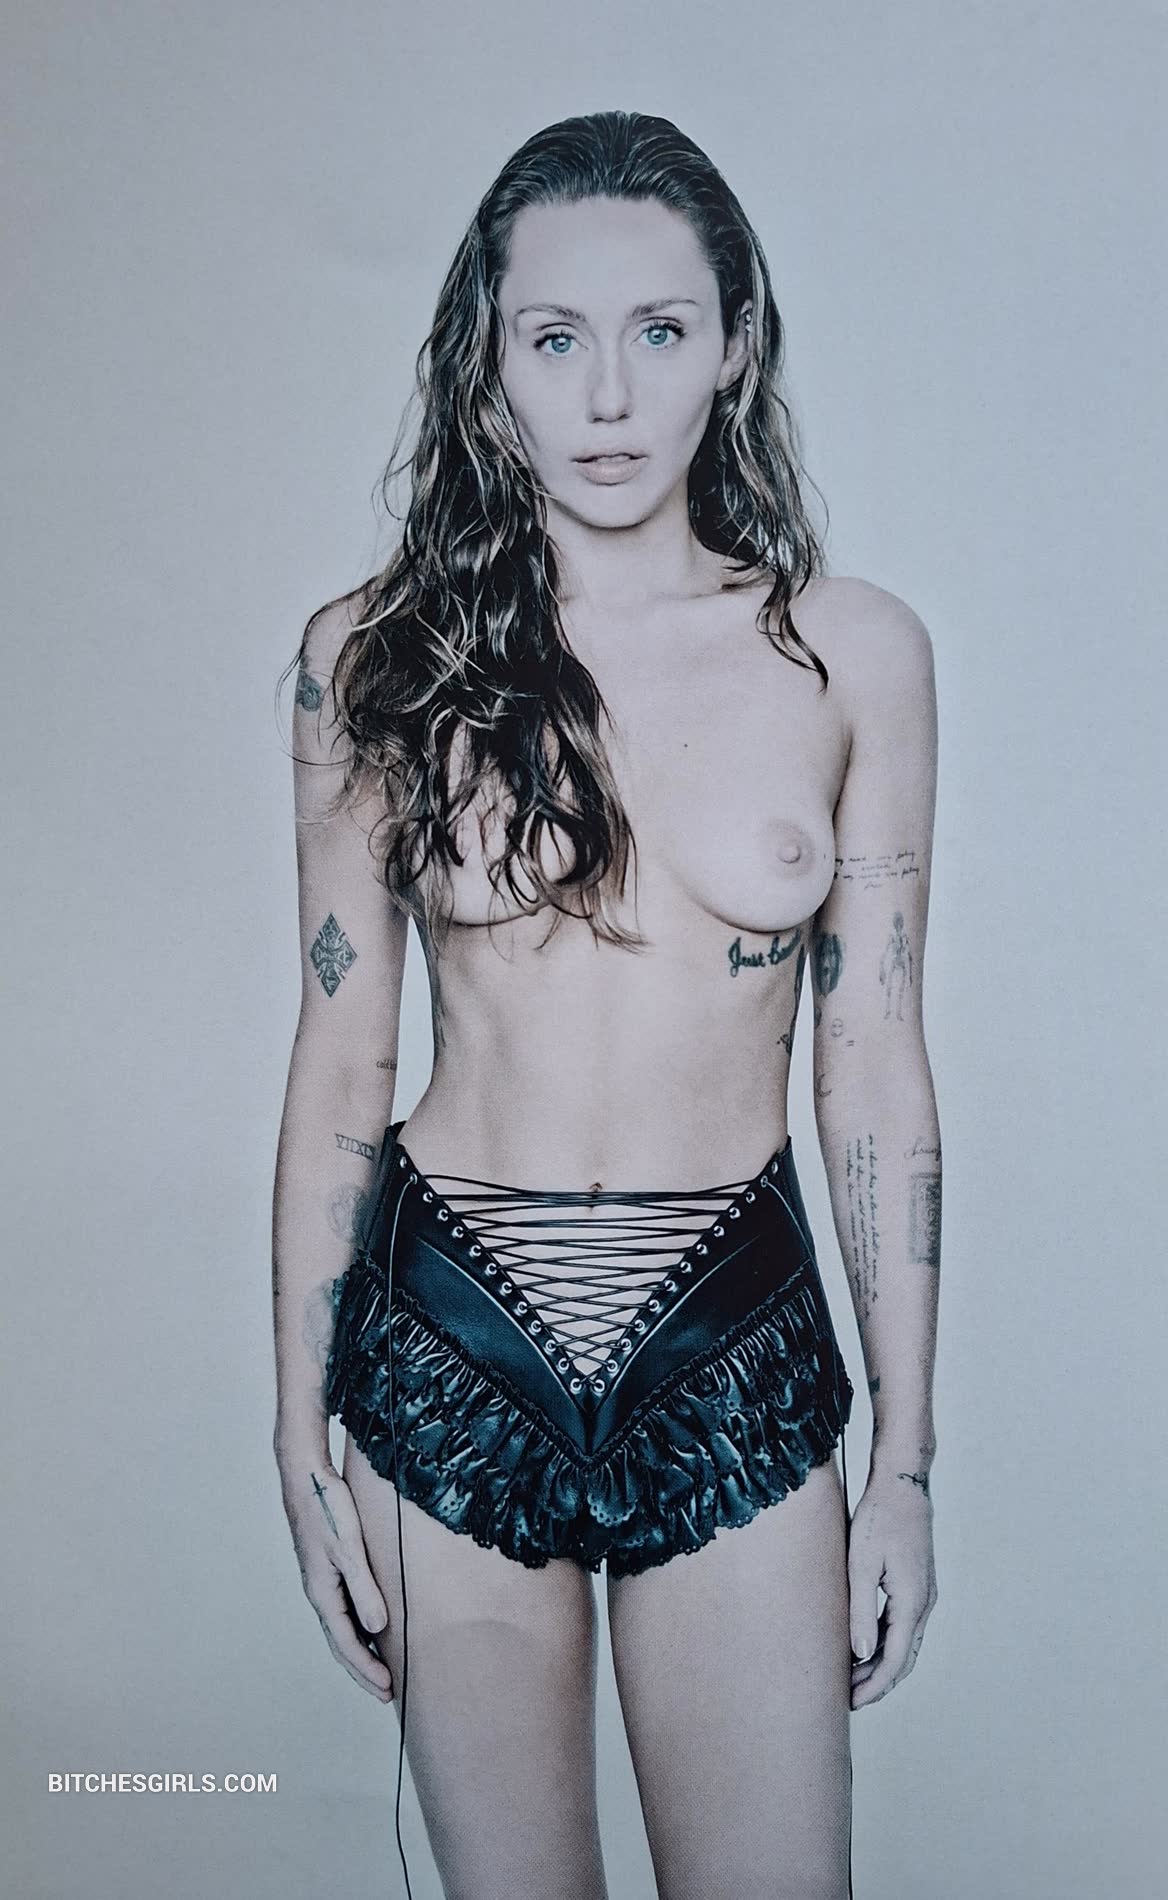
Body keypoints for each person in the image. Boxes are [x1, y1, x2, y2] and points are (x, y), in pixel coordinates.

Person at [272, 109, 940, 1900]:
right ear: (489, 370)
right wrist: (294, 1430)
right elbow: (342, 1052)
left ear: (735, 342)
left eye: (659, 329)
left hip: (729, 1331)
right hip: (449, 1338)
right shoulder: (372, 661)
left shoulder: (853, 656)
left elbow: (874, 1063)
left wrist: (905, 1462)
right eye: (555, 338)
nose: (610, 395)